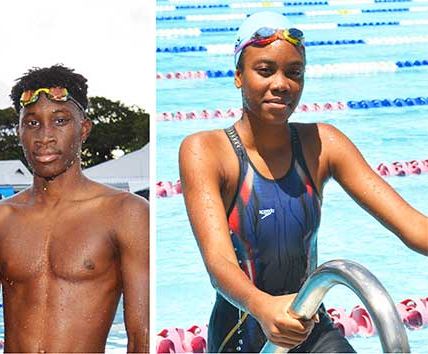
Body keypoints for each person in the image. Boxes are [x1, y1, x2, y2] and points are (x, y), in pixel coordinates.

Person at [178, 11, 428, 353]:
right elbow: (218, 262)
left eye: (294, 73)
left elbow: (412, 225)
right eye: (265, 70)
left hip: (312, 328)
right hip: (241, 336)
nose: (281, 84)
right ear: (238, 74)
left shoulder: (323, 144)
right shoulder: (205, 151)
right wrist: (262, 306)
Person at [0, 65, 148, 353]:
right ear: (19, 132)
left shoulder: (125, 214)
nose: (45, 136)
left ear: (83, 129)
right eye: (32, 123)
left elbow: (142, 338)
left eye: (60, 121)